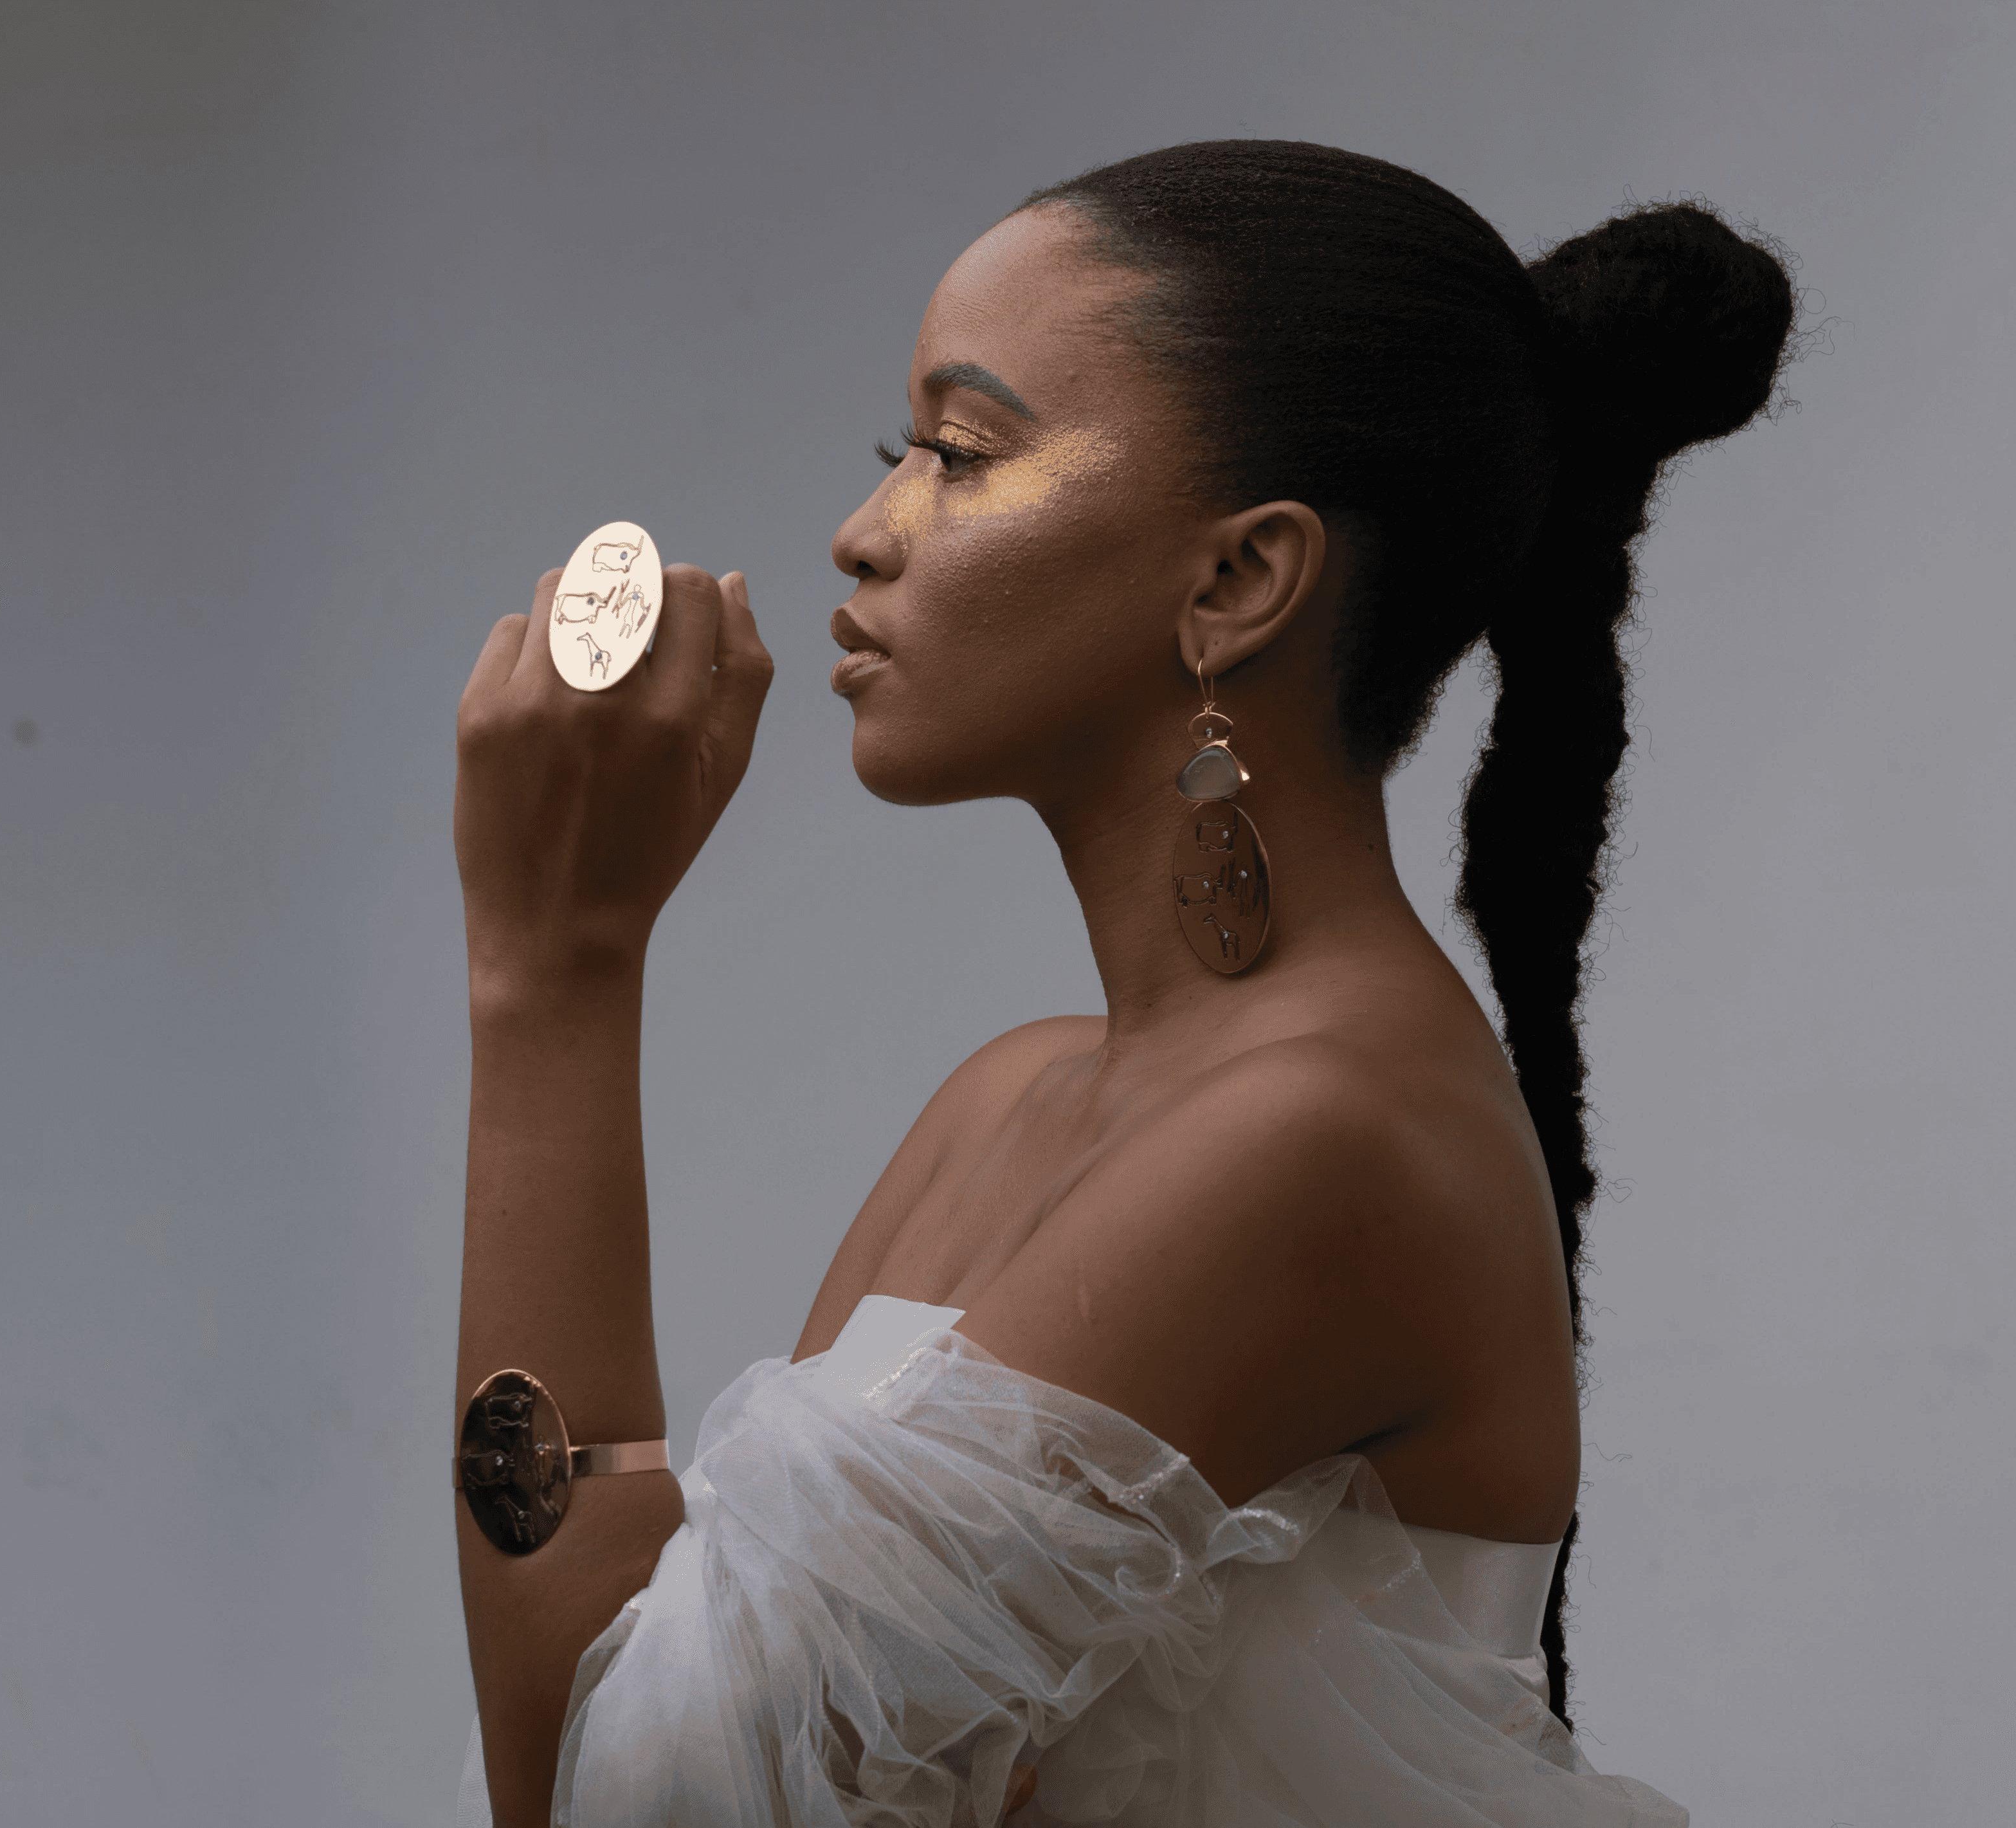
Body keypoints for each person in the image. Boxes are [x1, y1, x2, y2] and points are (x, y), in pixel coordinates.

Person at [450, 139, 1792, 1827]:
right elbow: (641, 1701)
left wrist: (555, 969)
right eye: (899, 451)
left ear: (1238, 581)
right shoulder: (1008, 1105)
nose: (864, 531)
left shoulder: (1328, 1138)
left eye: (958, 451)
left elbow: (639, 1806)